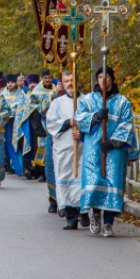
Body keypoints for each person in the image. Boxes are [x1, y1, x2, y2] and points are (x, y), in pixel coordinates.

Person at [76, 66, 136, 237]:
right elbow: (79, 118)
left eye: (107, 76)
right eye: (100, 76)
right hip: (93, 149)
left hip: (114, 150)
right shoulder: (88, 100)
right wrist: (95, 117)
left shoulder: (122, 102)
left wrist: (113, 142)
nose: (104, 80)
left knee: (113, 183)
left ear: (112, 79)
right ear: (97, 80)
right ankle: (95, 215)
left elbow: (127, 124)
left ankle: (108, 223)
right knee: (95, 181)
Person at [46, 70, 90, 230]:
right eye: (66, 81)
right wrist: (68, 123)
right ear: (62, 84)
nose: (70, 83)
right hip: (64, 149)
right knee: (65, 179)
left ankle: (84, 212)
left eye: (72, 80)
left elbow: (94, 122)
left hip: (83, 148)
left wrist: (83, 130)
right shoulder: (57, 103)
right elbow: (50, 123)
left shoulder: (87, 101)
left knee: (83, 179)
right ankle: (71, 217)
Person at [2, 74, 26, 175]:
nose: (10, 84)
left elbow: (24, 105)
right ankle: (6, 164)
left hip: (17, 121)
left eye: (12, 82)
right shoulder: (3, 93)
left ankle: (17, 167)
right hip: (5, 121)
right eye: (8, 83)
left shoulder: (21, 94)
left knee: (15, 143)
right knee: (6, 142)